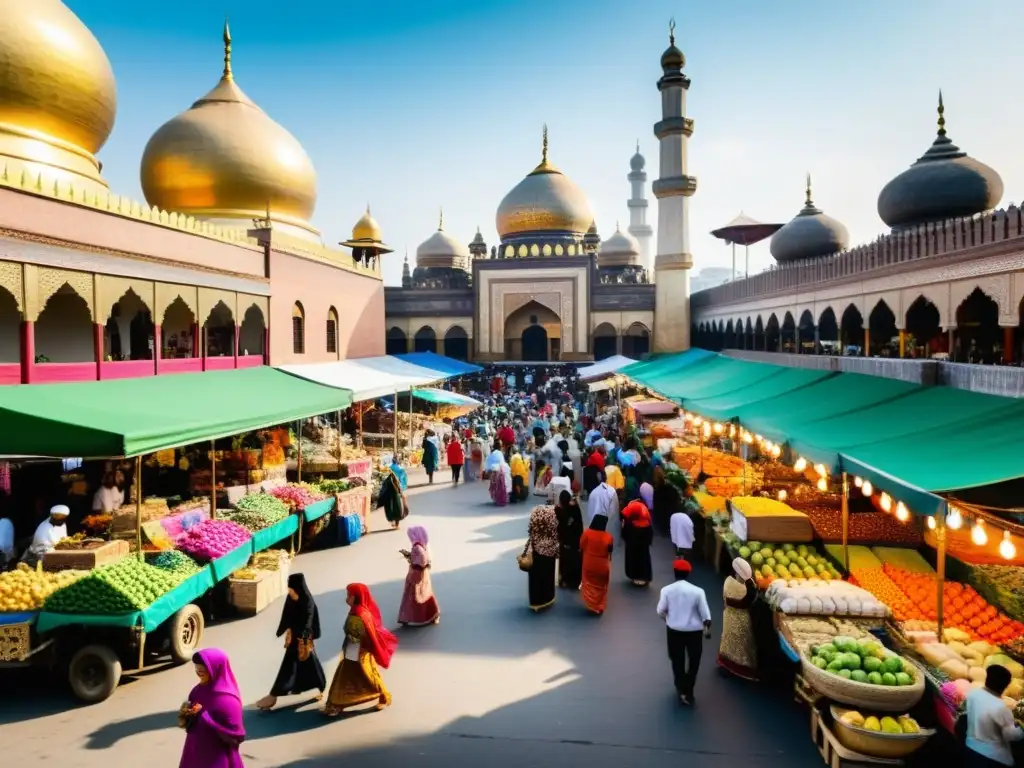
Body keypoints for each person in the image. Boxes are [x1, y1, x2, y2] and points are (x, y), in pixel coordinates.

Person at [323, 584, 397, 717]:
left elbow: (361, 636)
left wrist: (352, 652)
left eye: (349, 595)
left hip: (358, 651)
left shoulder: (360, 614)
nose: (347, 598)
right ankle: (336, 704)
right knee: (357, 675)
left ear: (356, 597)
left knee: (363, 675)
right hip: (354, 649)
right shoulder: (357, 611)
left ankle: (336, 704)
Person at [257, 574, 326, 711]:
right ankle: (319, 685)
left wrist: (305, 640)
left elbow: (308, 622)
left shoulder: (308, 602)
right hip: (295, 636)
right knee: (305, 664)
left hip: (303, 639)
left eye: (291, 589)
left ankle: (273, 695)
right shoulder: (291, 598)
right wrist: (284, 630)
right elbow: (287, 614)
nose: (289, 591)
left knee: (290, 665)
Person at [657, 559, 712, 706]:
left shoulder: (666, 590)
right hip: (694, 633)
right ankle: (689, 688)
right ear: (688, 573)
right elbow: (706, 615)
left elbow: (660, 611)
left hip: (674, 631)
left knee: (677, 660)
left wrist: (669, 619)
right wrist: (707, 627)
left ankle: (680, 687)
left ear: (674, 573)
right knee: (694, 661)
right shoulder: (698, 591)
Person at [179, 648, 246, 768]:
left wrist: (206, 719)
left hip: (217, 757)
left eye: (203, 669)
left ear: (216, 668)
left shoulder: (228, 699)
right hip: (195, 750)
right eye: (197, 669)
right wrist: (188, 713)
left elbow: (236, 737)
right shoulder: (197, 690)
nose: (199, 672)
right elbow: (190, 720)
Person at [964, 664, 1024, 767]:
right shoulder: (1002, 708)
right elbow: (1011, 736)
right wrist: (1021, 729)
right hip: (992, 758)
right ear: (1005, 686)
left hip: (971, 747)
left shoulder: (973, 694)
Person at [718, 558, 760, 681]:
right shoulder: (748, 589)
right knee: (744, 642)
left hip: (728, 615)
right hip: (742, 617)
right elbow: (749, 601)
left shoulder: (728, 581)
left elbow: (727, 599)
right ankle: (744, 668)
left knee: (728, 639)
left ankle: (726, 663)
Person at [398, 525, 440, 626]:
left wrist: (413, 562)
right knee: (424, 593)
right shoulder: (422, 545)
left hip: (416, 574)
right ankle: (432, 614)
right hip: (421, 574)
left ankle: (406, 617)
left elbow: (421, 560)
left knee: (411, 596)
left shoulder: (417, 547)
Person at [524, 504, 559, 612]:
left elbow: (530, 533)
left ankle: (535, 601)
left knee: (535, 580)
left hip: (536, 554)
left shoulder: (535, 529)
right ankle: (547, 598)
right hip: (549, 555)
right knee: (547, 577)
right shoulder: (552, 526)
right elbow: (555, 536)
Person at [579, 515, 614, 615]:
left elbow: (581, 545)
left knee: (589, 583)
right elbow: (609, 552)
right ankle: (599, 605)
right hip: (603, 565)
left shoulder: (587, 533)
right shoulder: (608, 537)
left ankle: (592, 605)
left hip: (589, 563)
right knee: (601, 585)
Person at [621, 499, 654, 587]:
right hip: (644, 542)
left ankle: (635, 576)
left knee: (633, 558)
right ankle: (644, 577)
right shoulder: (645, 516)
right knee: (643, 558)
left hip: (632, 541)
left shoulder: (630, 519)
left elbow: (625, 531)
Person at [555, 490, 583, 590]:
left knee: (564, 561)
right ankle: (576, 582)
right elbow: (580, 525)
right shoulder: (575, 509)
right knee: (575, 560)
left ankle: (564, 580)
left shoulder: (558, 510)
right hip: (575, 542)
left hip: (564, 542)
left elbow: (557, 527)